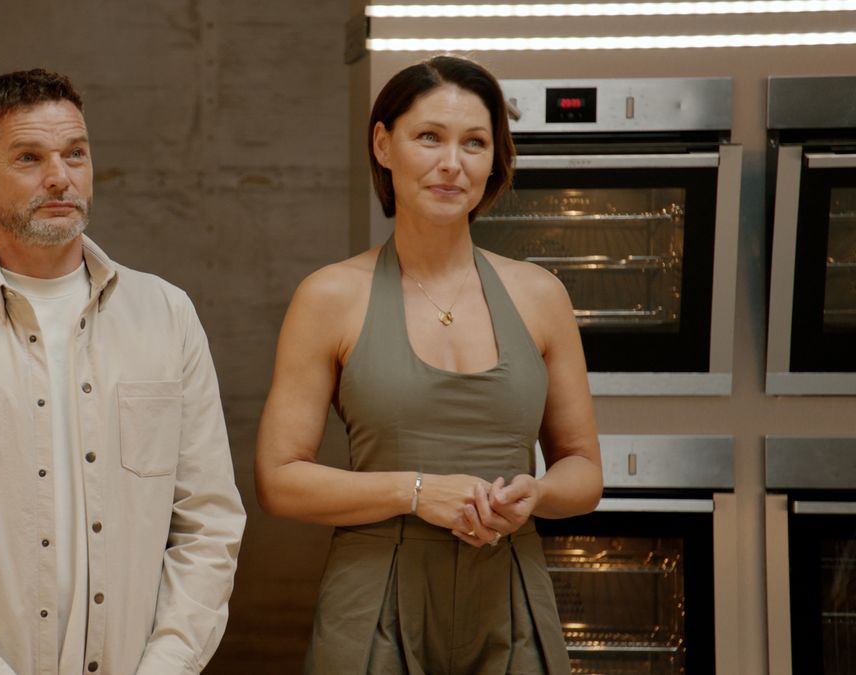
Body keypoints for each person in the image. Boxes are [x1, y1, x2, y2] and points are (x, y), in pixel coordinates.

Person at [0, 68, 246, 675]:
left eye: (75, 154)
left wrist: (168, 664)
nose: (60, 176)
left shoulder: (167, 315)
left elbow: (208, 524)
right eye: (29, 157)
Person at [255, 55, 602, 674]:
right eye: (429, 138)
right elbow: (279, 479)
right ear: (384, 145)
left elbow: (583, 470)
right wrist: (414, 493)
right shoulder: (330, 296)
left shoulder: (540, 295)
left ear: (495, 158)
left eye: (475, 142)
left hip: (512, 594)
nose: (452, 164)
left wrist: (538, 492)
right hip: (373, 600)